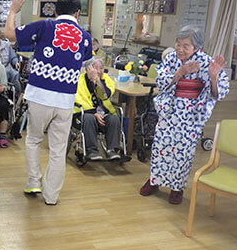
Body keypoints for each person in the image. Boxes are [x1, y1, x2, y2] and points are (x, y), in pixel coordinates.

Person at [5, 0, 92, 205]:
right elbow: (86, 63)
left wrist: (13, 11)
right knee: (58, 149)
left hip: (40, 96)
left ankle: (34, 181)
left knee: (34, 139)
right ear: (77, 13)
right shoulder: (85, 36)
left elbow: (9, 34)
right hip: (66, 101)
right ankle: (51, 196)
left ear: (55, 12)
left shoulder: (45, 26)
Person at [139, 25, 229, 204]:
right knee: (160, 148)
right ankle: (155, 181)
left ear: (197, 47)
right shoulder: (171, 58)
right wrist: (180, 72)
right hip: (169, 111)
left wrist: (213, 77)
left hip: (191, 116)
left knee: (183, 152)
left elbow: (219, 93)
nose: (180, 49)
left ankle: (177, 188)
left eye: (185, 46)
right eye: (178, 44)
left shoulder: (207, 62)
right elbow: (161, 82)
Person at [74, 57, 120, 161]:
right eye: (95, 68)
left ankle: (112, 150)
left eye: (101, 68)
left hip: (103, 114)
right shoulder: (79, 81)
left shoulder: (106, 80)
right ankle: (92, 151)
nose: (99, 71)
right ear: (87, 69)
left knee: (114, 118)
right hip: (83, 114)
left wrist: (98, 81)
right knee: (89, 118)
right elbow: (79, 100)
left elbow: (105, 95)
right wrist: (94, 113)